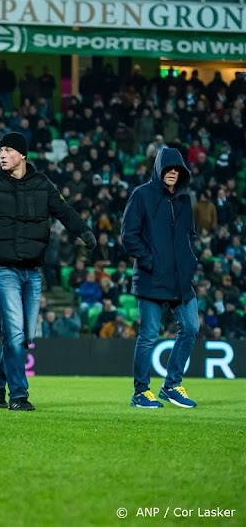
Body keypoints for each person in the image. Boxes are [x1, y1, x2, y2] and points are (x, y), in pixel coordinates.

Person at [0, 132, 95, 411]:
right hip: (2, 268)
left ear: (22, 155)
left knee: (26, 338)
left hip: (32, 270)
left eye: (8, 149)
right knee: (15, 334)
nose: (2, 154)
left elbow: (64, 211)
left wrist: (84, 232)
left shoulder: (42, 184)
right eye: (0, 150)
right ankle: (18, 395)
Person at [121, 147, 199, 409]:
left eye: (177, 169)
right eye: (168, 168)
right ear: (158, 169)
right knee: (149, 335)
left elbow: (190, 236)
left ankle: (171, 385)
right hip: (151, 278)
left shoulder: (185, 201)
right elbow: (128, 235)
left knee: (191, 328)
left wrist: (191, 261)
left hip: (180, 279)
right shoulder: (141, 195)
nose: (172, 173)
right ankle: (141, 392)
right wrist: (150, 261)